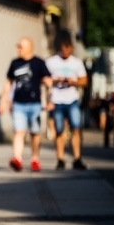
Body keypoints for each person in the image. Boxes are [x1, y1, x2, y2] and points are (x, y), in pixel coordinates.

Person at [0, 37, 52, 171]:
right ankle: (17, 158)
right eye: (18, 46)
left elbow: (48, 82)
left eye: (20, 46)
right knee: (19, 132)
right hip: (18, 104)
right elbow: (8, 83)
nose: (18, 49)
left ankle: (35, 159)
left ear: (29, 48)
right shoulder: (14, 63)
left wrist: (49, 99)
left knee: (35, 133)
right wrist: (3, 101)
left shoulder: (39, 63)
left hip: (35, 104)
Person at [45, 33, 88, 169]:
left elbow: (84, 80)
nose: (65, 51)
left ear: (72, 48)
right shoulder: (51, 62)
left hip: (72, 99)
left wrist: (73, 82)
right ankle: (60, 159)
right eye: (62, 48)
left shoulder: (76, 62)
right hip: (57, 100)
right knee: (59, 130)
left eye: (67, 48)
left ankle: (77, 158)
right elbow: (45, 79)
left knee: (76, 128)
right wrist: (56, 80)